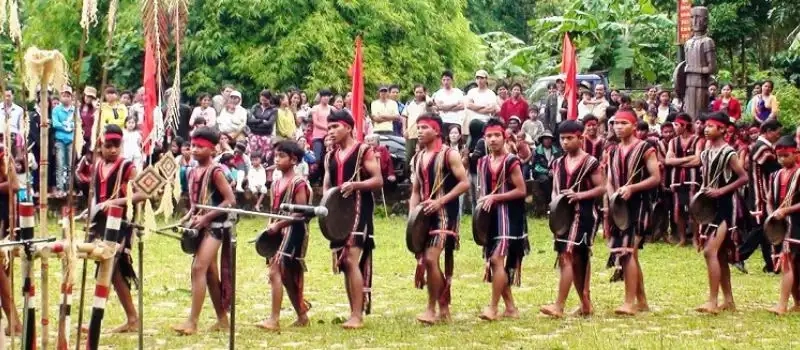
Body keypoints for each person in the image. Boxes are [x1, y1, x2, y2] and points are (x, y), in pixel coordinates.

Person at [82, 124, 148, 333]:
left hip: (121, 224)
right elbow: (96, 196)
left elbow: (142, 194)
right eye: (108, 146)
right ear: (101, 145)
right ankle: (132, 318)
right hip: (101, 223)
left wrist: (116, 202)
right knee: (112, 272)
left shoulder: (128, 167)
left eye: (116, 146)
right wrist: (91, 211)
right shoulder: (98, 165)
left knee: (111, 268)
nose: (112, 150)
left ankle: (100, 319)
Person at [172, 127, 236, 335]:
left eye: (200, 147)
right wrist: (188, 217)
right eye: (193, 146)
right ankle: (222, 319)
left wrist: (206, 217)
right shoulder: (191, 171)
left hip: (216, 227)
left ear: (212, 150)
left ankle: (192, 321)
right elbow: (195, 203)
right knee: (208, 273)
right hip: (200, 226)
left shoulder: (216, 171)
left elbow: (230, 200)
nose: (195, 150)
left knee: (198, 268)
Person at [323, 110, 383, 329]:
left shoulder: (363, 151)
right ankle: (353, 312)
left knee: (350, 259)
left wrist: (356, 185)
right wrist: (325, 205)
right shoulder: (329, 155)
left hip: (359, 210)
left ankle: (357, 315)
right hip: (338, 215)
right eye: (328, 128)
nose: (331, 132)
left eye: (335, 127)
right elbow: (328, 186)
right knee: (346, 264)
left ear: (348, 127)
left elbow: (378, 180)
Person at [408, 113, 469, 324]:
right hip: (424, 218)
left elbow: (464, 183)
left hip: (445, 215)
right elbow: (415, 190)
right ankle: (443, 307)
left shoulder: (449, 154)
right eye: (418, 127)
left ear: (436, 130)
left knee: (431, 259)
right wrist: (412, 215)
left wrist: (440, 202)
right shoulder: (416, 158)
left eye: (424, 127)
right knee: (428, 261)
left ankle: (431, 309)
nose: (420, 131)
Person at [540, 120, 605, 318]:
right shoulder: (558, 162)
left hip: (583, 215)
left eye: (570, 138)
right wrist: (554, 207)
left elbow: (602, 188)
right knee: (575, 259)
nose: (565, 142)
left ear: (580, 138)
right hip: (563, 217)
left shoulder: (590, 162)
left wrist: (580, 195)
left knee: (568, 256)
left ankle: (558, 306)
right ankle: (586, 304)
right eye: (562, 138)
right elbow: (555, 189)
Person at [605, 109, 661, 315]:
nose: (618, 127)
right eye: (615, 123)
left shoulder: (646, 148)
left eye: (623, 123)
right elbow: (609, 179)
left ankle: (629, 303)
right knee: (631, 255)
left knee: (628, 253)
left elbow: (656, 177)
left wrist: (632, 188)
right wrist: (612, 199)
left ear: (634, 126)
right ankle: (642, 301)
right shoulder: (612, 150)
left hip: (638, 206)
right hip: (619, 207)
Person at [473, 118, 527, 321]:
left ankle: (493, 308)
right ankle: (511, 307)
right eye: (489, 136)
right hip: (490, 219)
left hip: (509, 217)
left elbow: (522, 191)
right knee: (496, 264)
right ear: (484, 139)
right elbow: (482, 191)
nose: (493, 139)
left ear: (504, 137)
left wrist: (495, 197)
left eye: (497, 135)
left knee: (496, 259)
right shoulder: (482, 162)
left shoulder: (511, 161)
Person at [695, 112, 749, 314]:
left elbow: (743, 178)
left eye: (711, 126)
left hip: (725, 207)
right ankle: (728, 300)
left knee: (710, 251)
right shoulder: (706, 151)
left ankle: (712, 301)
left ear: (723, 129)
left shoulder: (729, 152)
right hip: (709, 206)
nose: (706, 129)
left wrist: (720, 191)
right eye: (705, 125)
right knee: (720, 255)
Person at [257, 141, 311, 331]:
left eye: (281, 156)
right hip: (277, 231)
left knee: (275, 272)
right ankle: (302, 316)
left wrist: (279, 224)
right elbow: (273, 211)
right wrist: (269, 229)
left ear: (293, 160)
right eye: (276, 156)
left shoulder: (299, 182)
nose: (276, 159)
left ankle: (274, 319)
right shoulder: (276, 183)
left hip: (294, 231)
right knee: (286, 276)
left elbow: (301, 213)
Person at [739, 119, 783, 273]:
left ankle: (770, 265)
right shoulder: (762, 148)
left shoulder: (764, 147)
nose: (779, 136)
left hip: (763, 194)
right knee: (760, 228)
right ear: (768, 131)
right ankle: (739, 256)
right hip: (761, 195)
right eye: (777, 133)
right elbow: (775, 168)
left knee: (765, 229)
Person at [766, 136, 800, 315]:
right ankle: (797, 302)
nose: (781, 160)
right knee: (790, 263)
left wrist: (786, 211)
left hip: (796, 223)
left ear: (796, 153)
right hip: (781, 224)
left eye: (785, 155)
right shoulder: (776, 175)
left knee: (790, 263)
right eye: (778, 156)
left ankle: (782, 305)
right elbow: (769, 199)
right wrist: (772, 212)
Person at [665, 113, 702, 246]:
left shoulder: (697, 140)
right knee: (678, 209)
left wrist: (677, 161)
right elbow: (668, 161)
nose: (674, 127)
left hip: (692, 180)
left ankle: (695, 238)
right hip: (676, 180)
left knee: (694, 209)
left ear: (684, 125)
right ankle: (682, 238)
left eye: (676, 125)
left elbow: (698, 160)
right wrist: (687, 159)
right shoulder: (673, 142)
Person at [52, 86, 75, 196]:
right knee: (60, 164)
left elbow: (78, 123)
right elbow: (55, 123)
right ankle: (60, 188)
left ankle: (69, 188)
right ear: (61, 97)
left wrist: (71, 126)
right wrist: (64, 126)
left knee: (71, 164)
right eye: (64, 95)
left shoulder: (75, 110)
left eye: (68, 96)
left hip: (71, 139)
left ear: (71, 97)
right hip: (60, 140)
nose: (66, 98)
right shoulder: (56, 110)